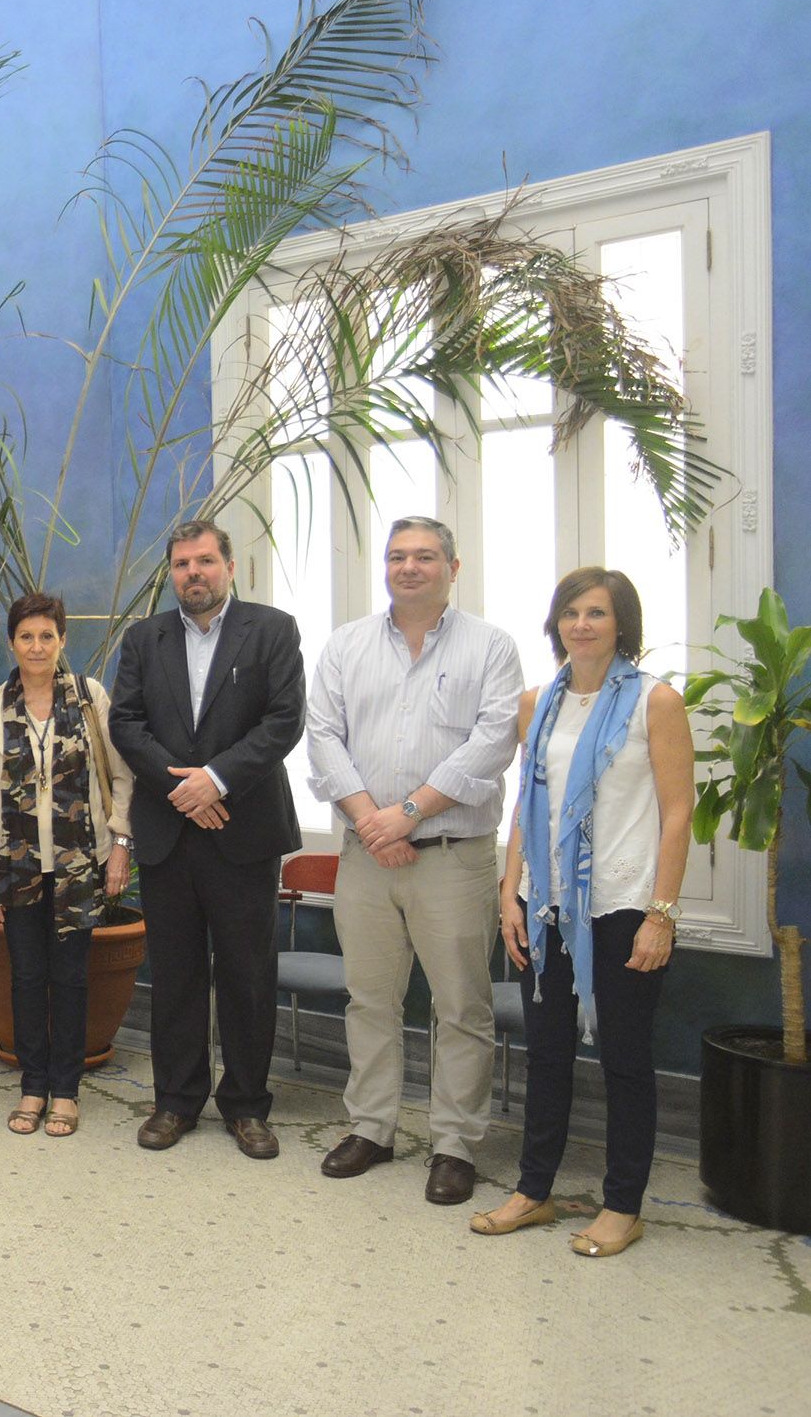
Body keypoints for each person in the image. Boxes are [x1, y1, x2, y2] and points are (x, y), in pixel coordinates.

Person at [471, 569, 691, 1256]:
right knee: (547, 1055)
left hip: (623, 906)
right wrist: (509, 893)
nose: (581, 624)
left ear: (620, 623)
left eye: (595, 612)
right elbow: (524, 806)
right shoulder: (537, 702)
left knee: (624, 1060)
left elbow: (678, 812)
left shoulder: (654, 702)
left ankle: (622, 1206)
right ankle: (532, 1190)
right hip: (547, 908)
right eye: (570, 612)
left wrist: (662, 913)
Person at [306, 516, 523, 1204]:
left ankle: (454, 1143)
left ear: (452, 568)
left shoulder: (491, 648)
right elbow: (322, 738)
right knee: (369, 998)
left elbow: (491, 743)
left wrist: (408, 813)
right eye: (397, 556)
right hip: (365, 855)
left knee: (460, 1005)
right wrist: (372, 822)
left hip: (452, 858)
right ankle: (370, 1127)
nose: (408, 567)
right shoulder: (345, 646)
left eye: (424, 557)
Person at [108, 520, 306, 1158]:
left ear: (229, 565)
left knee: (248, 974)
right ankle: (176, 1102)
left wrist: (216, 782)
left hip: (244, 829)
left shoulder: (272, 630)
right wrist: (183, 791)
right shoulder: (145, 638)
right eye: (182, 564)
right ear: (172, 573)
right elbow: (126, 721)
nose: (193, 573)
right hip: (170, 832)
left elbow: (284, 721)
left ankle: (247, 1106)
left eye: (205, 561)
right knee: (176, 975)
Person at [0, 592, 133, 1137]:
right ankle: (32, 1087)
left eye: (47, 636)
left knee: (70, 979)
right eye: (26, 636)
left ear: (63, 641)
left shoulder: (90, 698)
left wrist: (121, 846)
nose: (36, 646)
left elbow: (121, 776)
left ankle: (65, 1091)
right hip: (15, 866)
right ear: (12, 643)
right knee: (27, 977)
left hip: (81, 862)